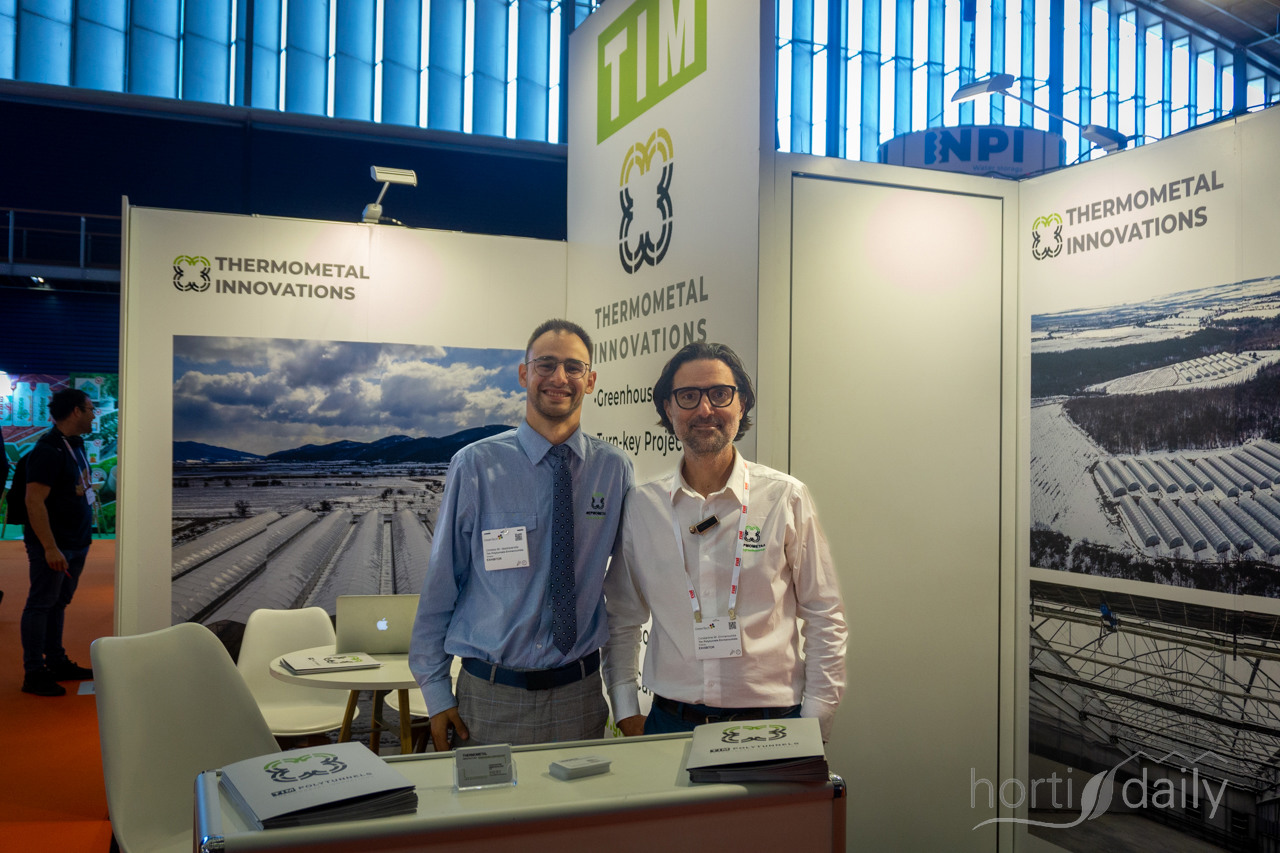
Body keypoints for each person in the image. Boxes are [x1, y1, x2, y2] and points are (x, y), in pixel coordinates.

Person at [603, 342, 848, 739]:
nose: (705, 409)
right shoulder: (643, 507)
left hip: (773, 726)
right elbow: (622, 617)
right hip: (670, 724)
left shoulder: (785, 497)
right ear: (668, 408)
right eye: (688, 396)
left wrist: (815, 724)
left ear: (742, 403)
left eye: (719, 394)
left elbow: (824, 614)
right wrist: (627, 709)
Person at [410, 319, 634, 750]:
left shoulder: (614, 470)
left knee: (585, 798)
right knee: (487, 799)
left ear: (590, 381)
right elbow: (441, 583)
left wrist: (623, 695)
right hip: (491, 699)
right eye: (545, 364)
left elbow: (623, 590)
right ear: (523, 374)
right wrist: (435, 691)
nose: (559, 378)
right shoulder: (475, 465)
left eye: (573, 367)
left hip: (581, 698)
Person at [20, 388, 98, 697]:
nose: (94, 414)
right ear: (76, 411)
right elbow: (34, 501)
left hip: (76, 540)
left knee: (58, 602)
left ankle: (56, 661)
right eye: (90, 409)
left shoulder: (75, 445)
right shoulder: (48, 449)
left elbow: (73, 488)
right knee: (40, 604)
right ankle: (34, 672)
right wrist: (50, 548)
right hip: (55, 545)